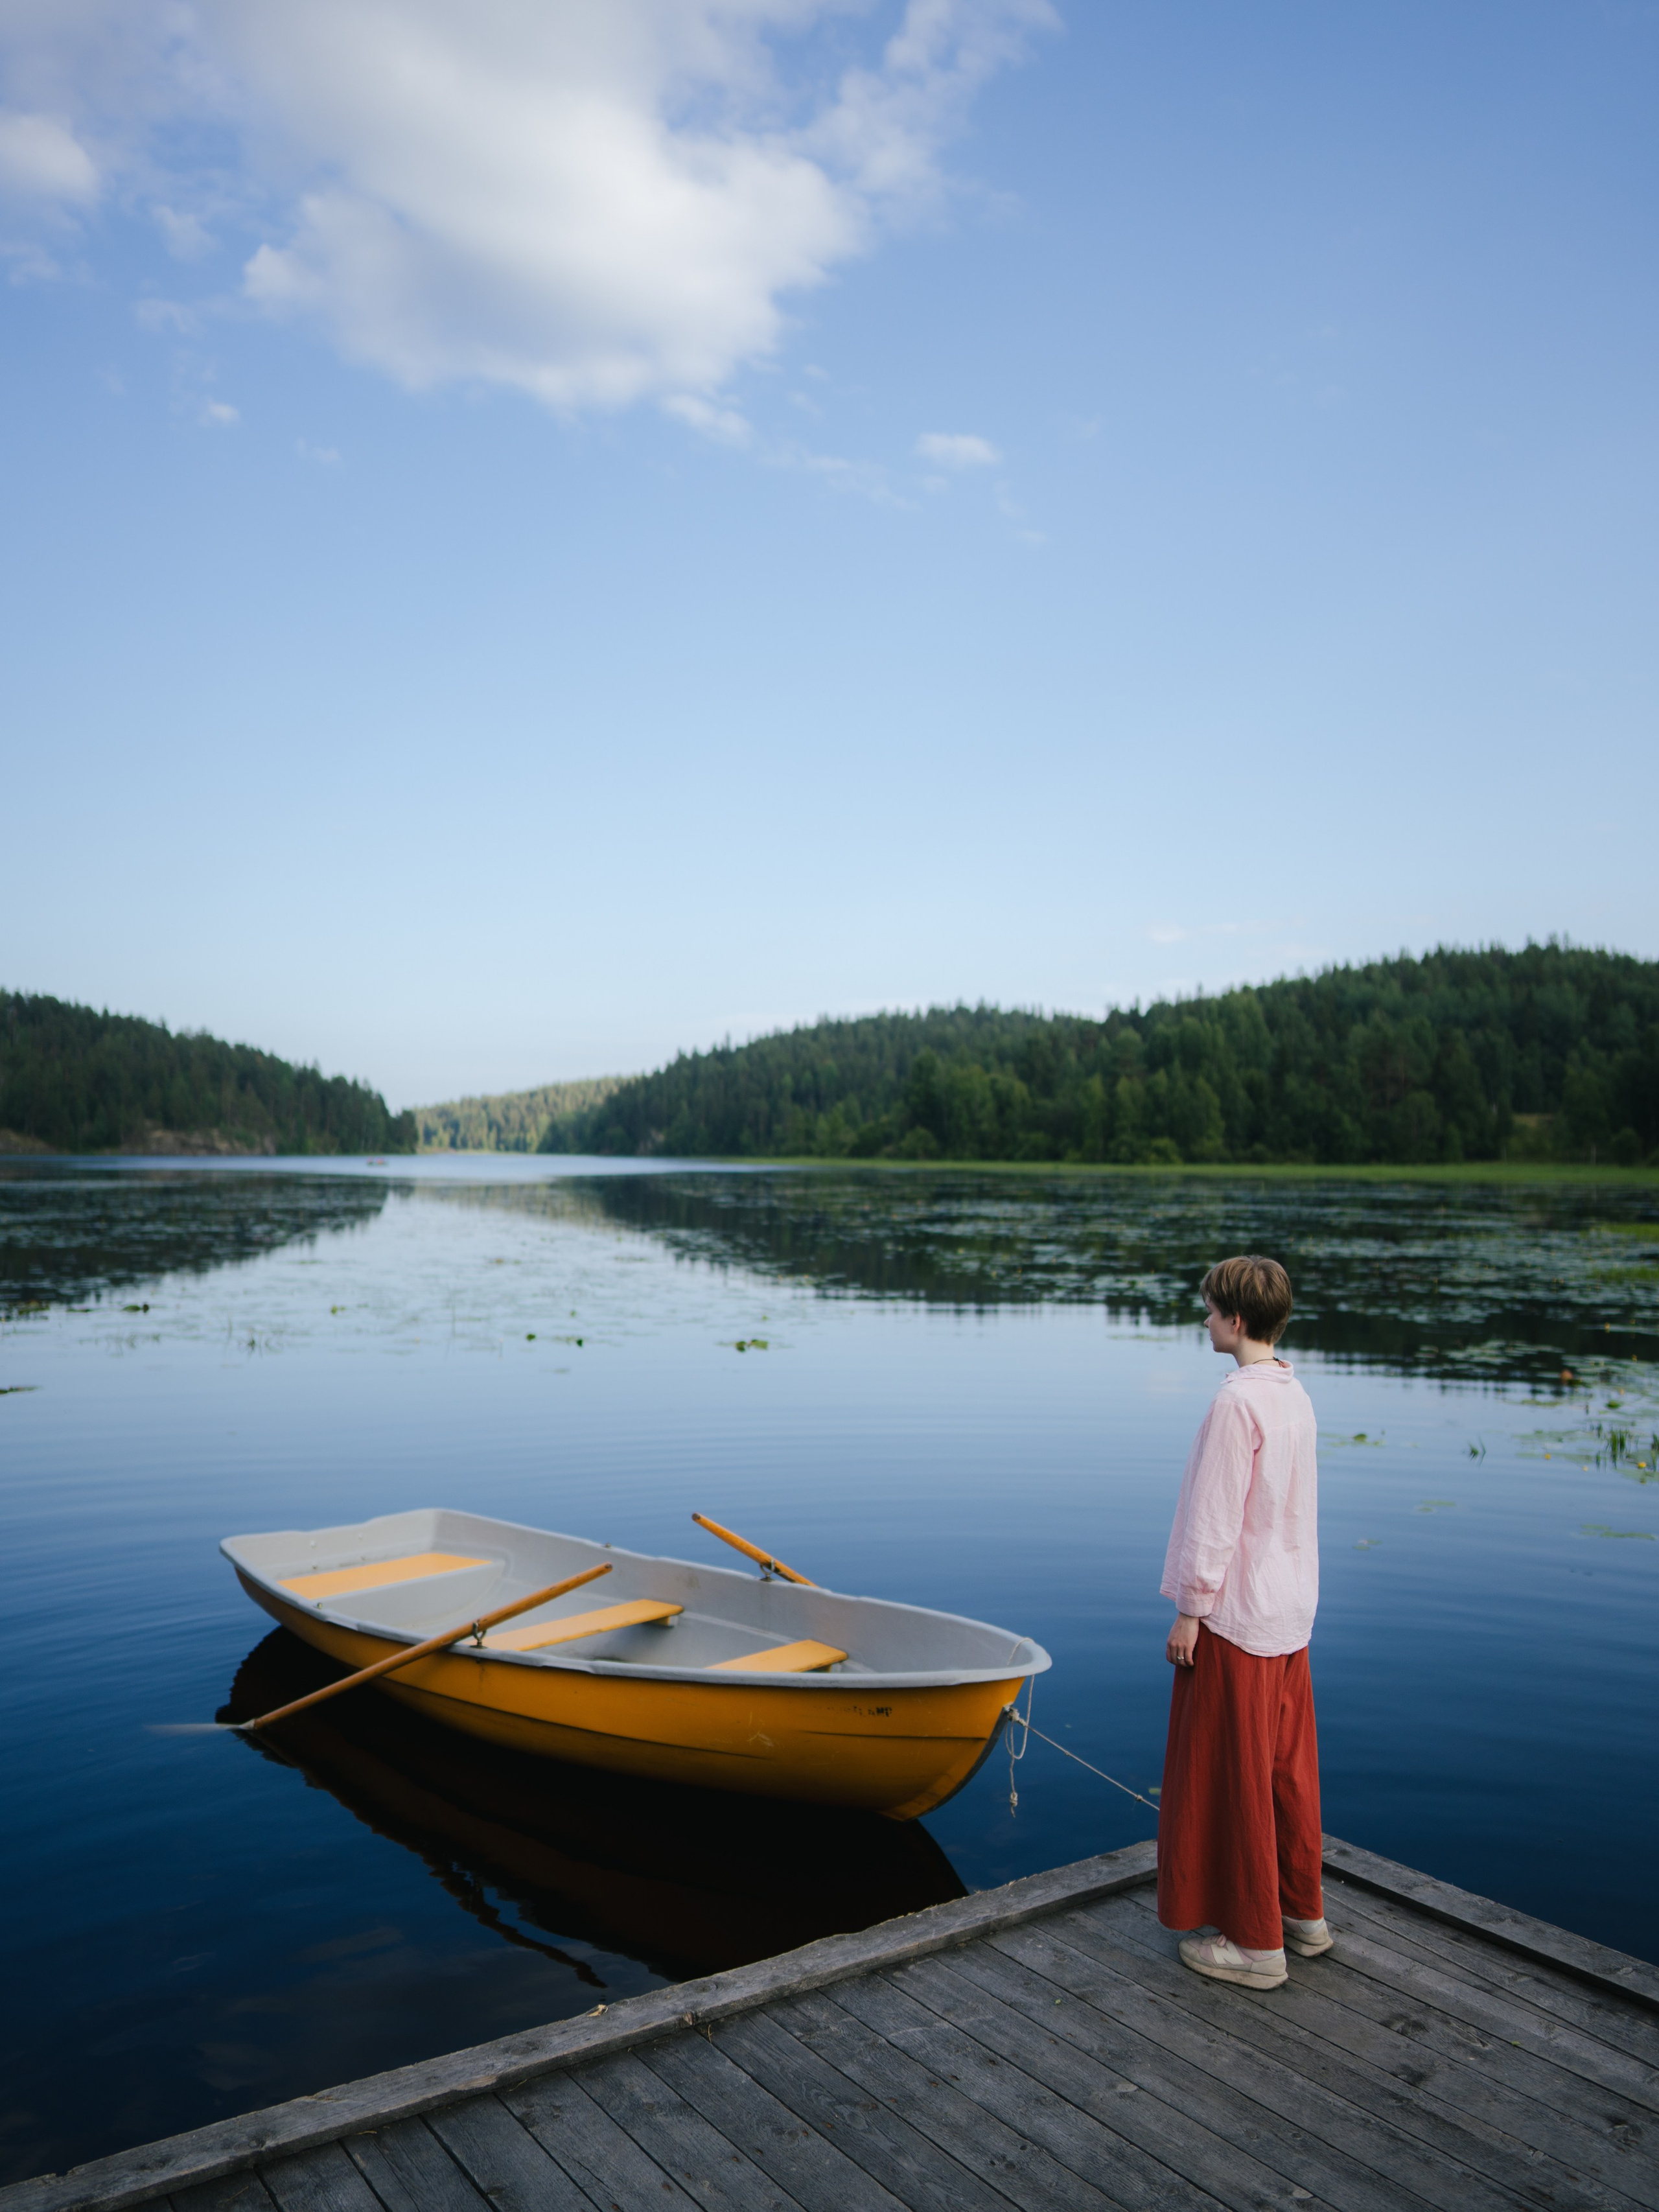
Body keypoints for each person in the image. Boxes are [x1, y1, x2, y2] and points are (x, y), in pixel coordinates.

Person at [1157, 1253, 1330, 1990]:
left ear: (1234, 1319)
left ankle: (1257, 1944)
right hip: (1290, 1613)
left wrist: (1190, 1610)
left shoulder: (1235, 1402)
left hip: (1237, 1617)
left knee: (1231, 1775)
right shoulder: (1293, 1392)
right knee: (1287, 1770)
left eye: (1208, 1310)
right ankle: (1303, 1915)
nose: (1203, 1320)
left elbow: (1213, 1515)